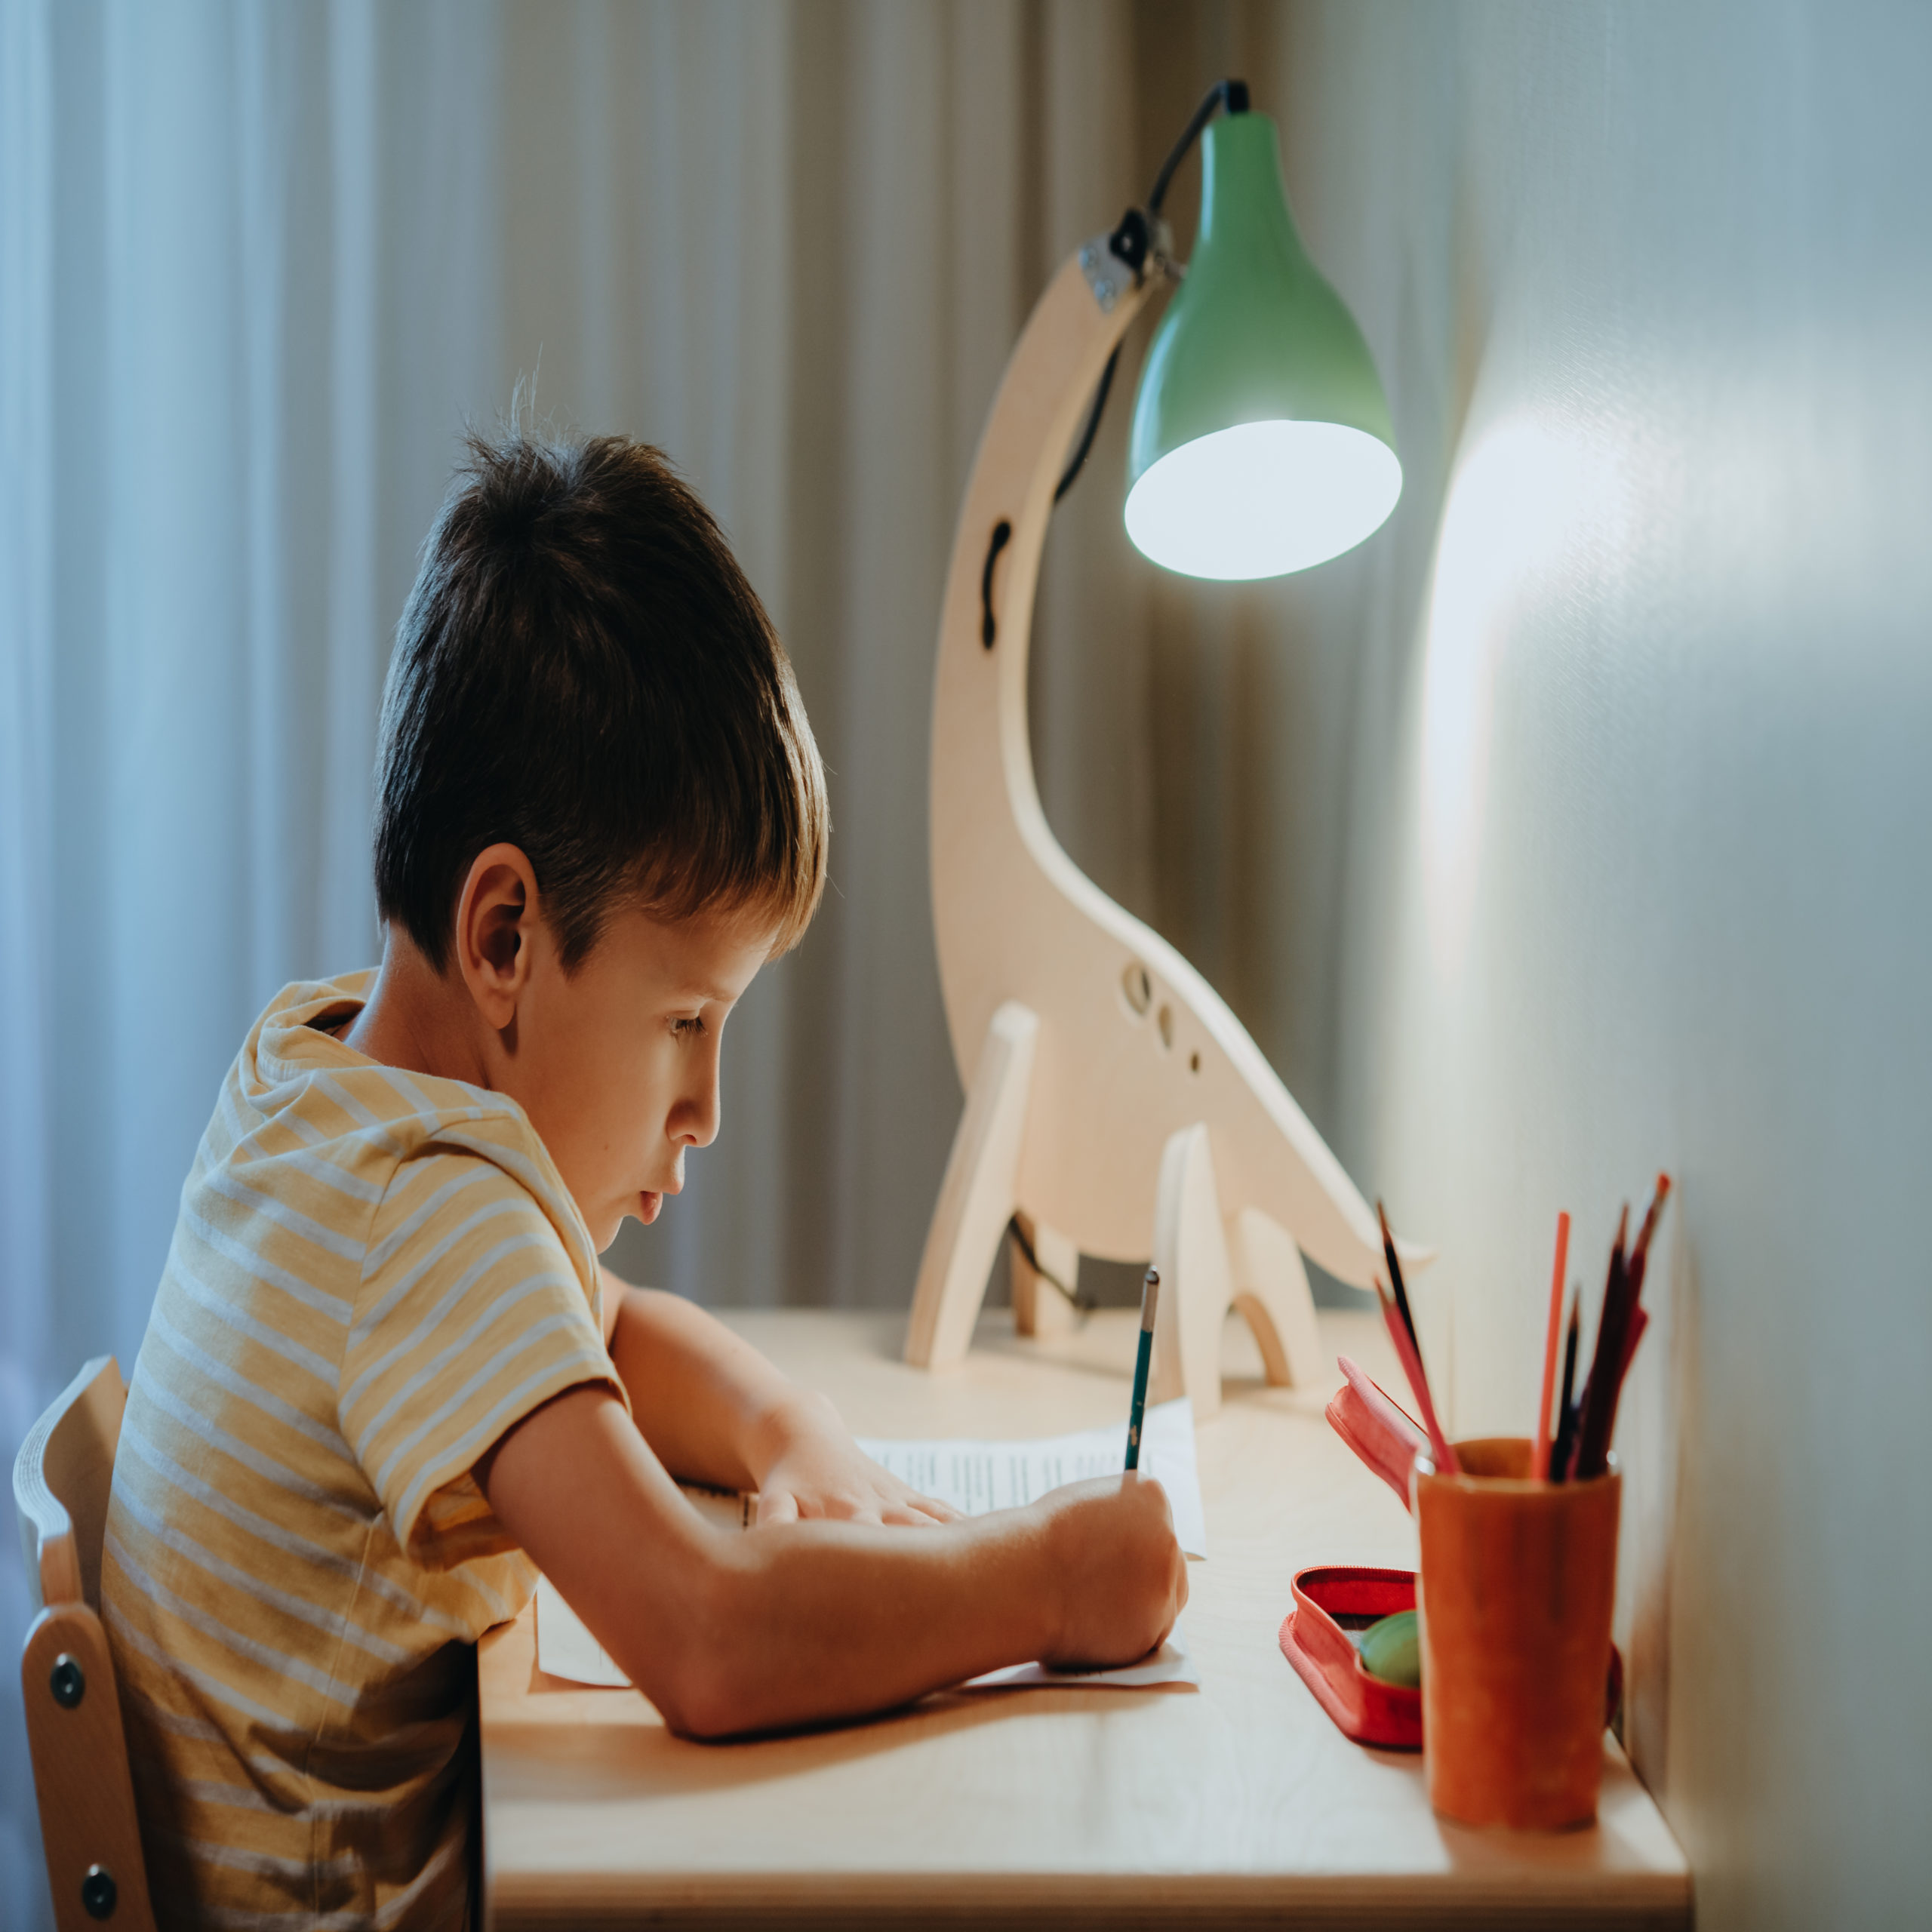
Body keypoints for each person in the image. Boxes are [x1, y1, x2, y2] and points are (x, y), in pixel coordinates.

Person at [100, 432, 1186, 1929]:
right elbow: (704, 1637)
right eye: (686, 1021)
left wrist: (781, 1425)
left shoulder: (317, 1084)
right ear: (502, 940)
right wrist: (1054, 1579)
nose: (708, 1105)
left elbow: (596, 1326)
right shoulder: (430, 1214)